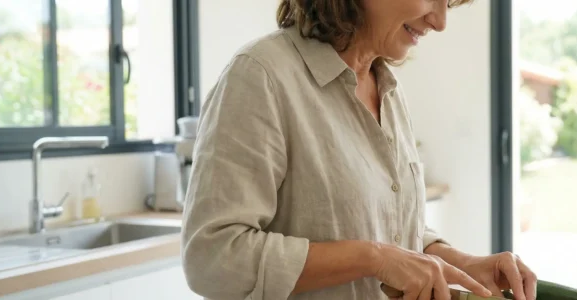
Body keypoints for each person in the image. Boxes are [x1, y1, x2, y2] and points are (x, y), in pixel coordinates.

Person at [181, 0, 537, 299]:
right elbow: (212, 258)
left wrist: (462, 263)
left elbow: (387, 224)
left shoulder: (387, 89)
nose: (440, 21)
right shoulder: (261, 76)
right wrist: (372, 258)